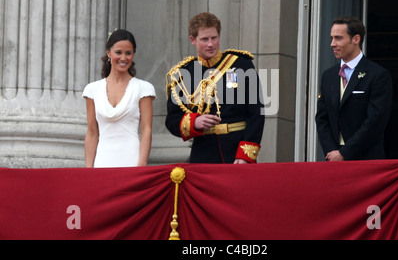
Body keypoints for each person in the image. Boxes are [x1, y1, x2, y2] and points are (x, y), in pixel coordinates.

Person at [165, 12, 265, 164]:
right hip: (203, 153)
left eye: (214, 38)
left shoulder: (240, 64)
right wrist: (195, 122)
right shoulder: (183, 74)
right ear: (193, 40)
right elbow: (172, 119)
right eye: (205, 39)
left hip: (236, 154)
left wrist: (246, 153)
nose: (211, 44)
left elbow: (257, 112)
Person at [315, 16, 392, 161]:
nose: (332, 44)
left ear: (356, 39)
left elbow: (375, 122)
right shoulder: (329, 75)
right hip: (333, 160)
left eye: (338, 38)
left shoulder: (377, 75)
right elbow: (322, 119)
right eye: (332, 38)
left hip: (366, 160)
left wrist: (345, 153)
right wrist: (331, 151)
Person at [83, 29, 156, 167]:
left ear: (133, 54)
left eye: (128, 53)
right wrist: (88, 169)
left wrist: (141, 164)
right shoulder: (92, 90)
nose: (123, 58)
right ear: (108, 52)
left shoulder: (144, 88)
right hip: (102, 162)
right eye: (118, 52)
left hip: (132, 160)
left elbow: (146, 130)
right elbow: (92, 133)